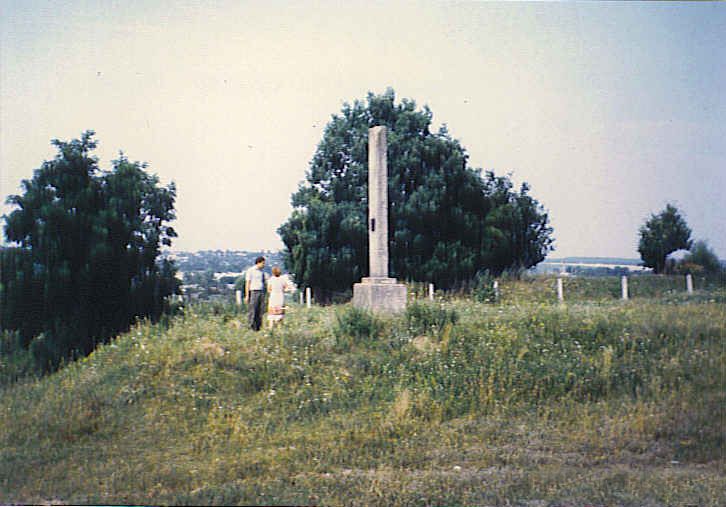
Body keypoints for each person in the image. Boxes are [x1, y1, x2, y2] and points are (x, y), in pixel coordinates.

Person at [245, 256, 267, 331]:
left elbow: (264, 282)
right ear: (258, 262)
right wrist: (247, 295)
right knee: (253, 310)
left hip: (261, 292)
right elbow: (248, 283)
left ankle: (258, 327)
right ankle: (251, 326)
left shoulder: (262, 272)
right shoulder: (250, 270)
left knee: (260, 310)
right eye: (263, 263)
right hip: (254, 291)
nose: (264, 265)